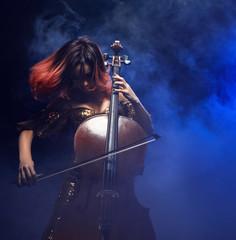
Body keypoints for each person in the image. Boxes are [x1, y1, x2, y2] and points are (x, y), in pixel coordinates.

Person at [17, 36, 156, 240]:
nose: (82, 83)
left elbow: (147, 129)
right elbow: (29, 128)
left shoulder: (120, 98)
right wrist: (25, 159)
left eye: (88, 76)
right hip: (79, 187)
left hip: (120, 186)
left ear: (98, 70)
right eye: (76, 78)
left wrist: (135, 101)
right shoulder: (67, 102)